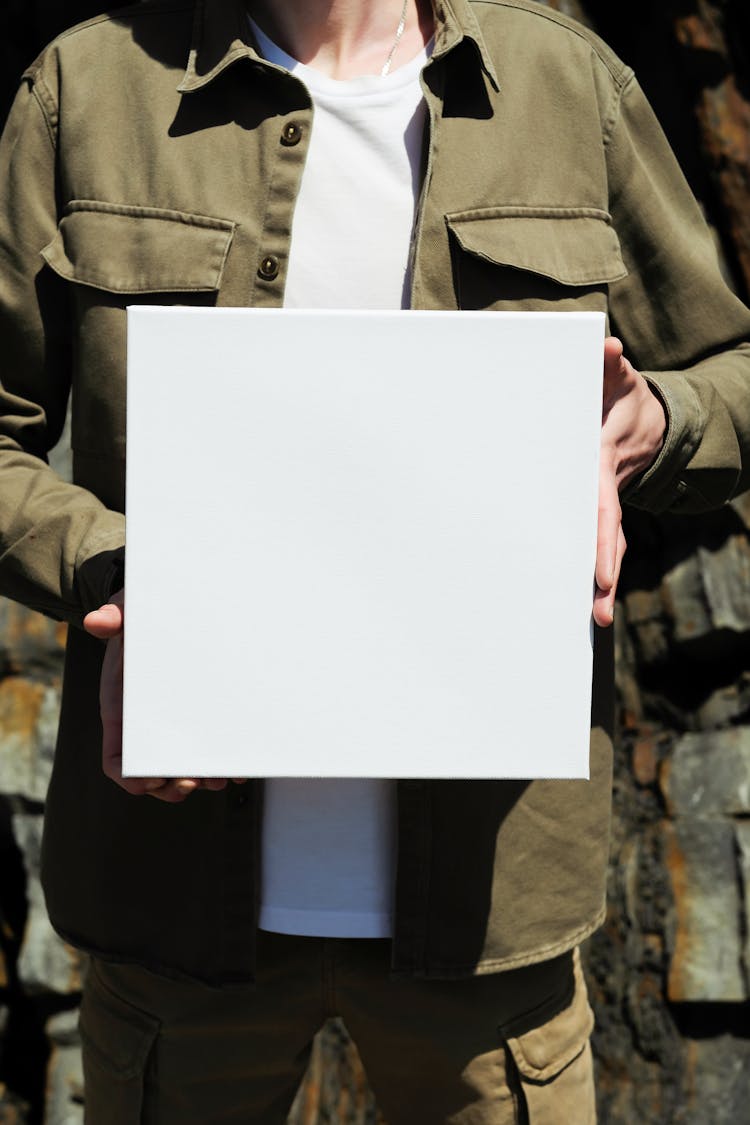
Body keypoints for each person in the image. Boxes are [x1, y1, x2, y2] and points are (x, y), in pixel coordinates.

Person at [1, 0, 748, 1120]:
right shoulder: (88, 87)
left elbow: (733, 378)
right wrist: (125, 571)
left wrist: (654, 421)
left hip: (495, 916)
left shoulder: (566, 85)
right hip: (177, 912)